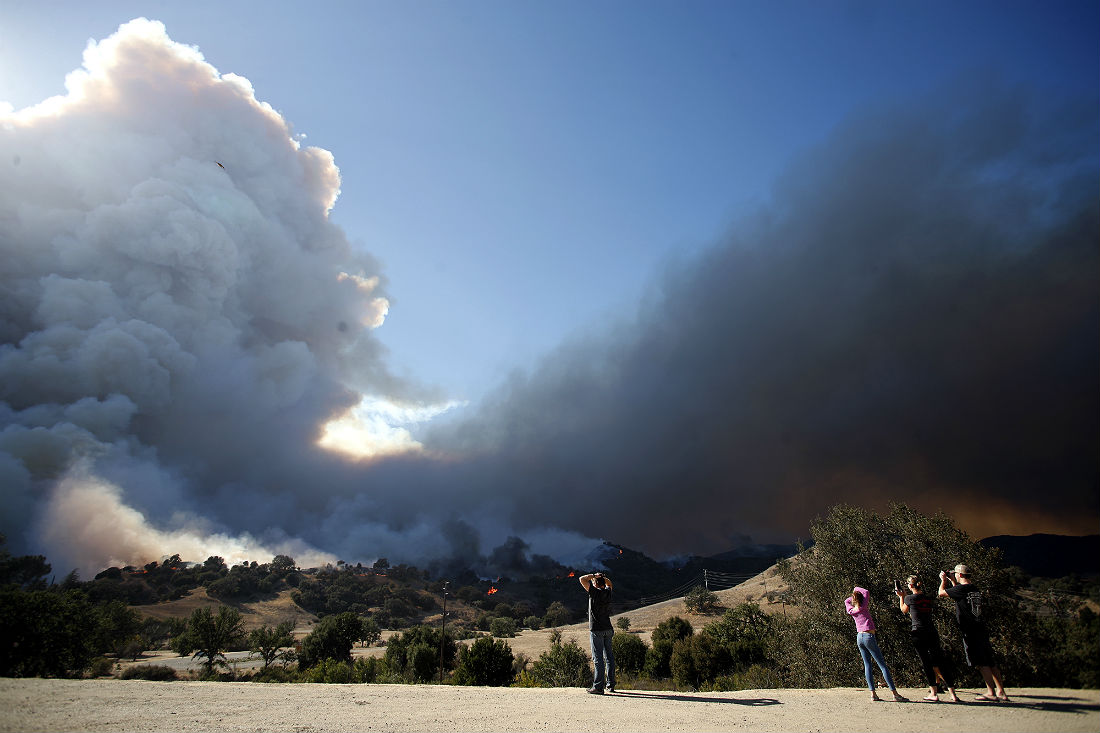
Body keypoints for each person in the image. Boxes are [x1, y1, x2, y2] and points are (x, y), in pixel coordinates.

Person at [939, 564, 1009, 702]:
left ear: (959, 575)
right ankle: (1001, 691)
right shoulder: (974, 589)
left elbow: (941, 593)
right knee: (990, 661)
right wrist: (953, 581)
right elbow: (957, 593)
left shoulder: (961, 589)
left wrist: (943, 581)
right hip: (980, 627)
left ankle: (991, 692)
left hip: (970, 629)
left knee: (981, 662)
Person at [896, 575, 960, 703]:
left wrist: (901, 597)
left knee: (926, 663)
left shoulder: (909, 598)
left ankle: (933, 692)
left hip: (918, 632)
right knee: (939, 661)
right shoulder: (927, 598)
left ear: (910, 586)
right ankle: (953, 693)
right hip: (931, 631)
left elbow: (903, 610)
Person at [844, 586, 907, 702]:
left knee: (867, 665)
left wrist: (853, 596)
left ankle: (873, 694)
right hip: (869, 636)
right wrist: (855, 589)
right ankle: (895, 693)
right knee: (882, 665)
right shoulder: (863, 607)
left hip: (860, 637)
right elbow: (866, 591)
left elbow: (846, 601)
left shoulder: (852, 611)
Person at [579, 571, 615, 694]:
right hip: (608, 628)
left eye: (593, 582)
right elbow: (610, 584)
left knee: (598, 658)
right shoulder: (607, 592)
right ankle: (611, 685)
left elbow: (582, 579)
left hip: (596, 629)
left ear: (594, 584)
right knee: (609, 657)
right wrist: (603, 578)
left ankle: (598, 687)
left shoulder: (594, 593)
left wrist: (593, 576)